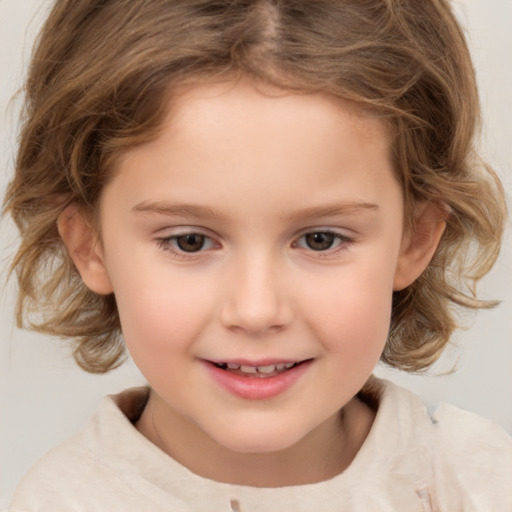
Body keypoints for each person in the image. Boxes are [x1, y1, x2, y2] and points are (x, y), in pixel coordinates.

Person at [4, 0, 511, 510]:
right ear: (89, 245)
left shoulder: (481, 484)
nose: (256, 310)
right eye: (190, 241)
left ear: (415, 238)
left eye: (321, 239)